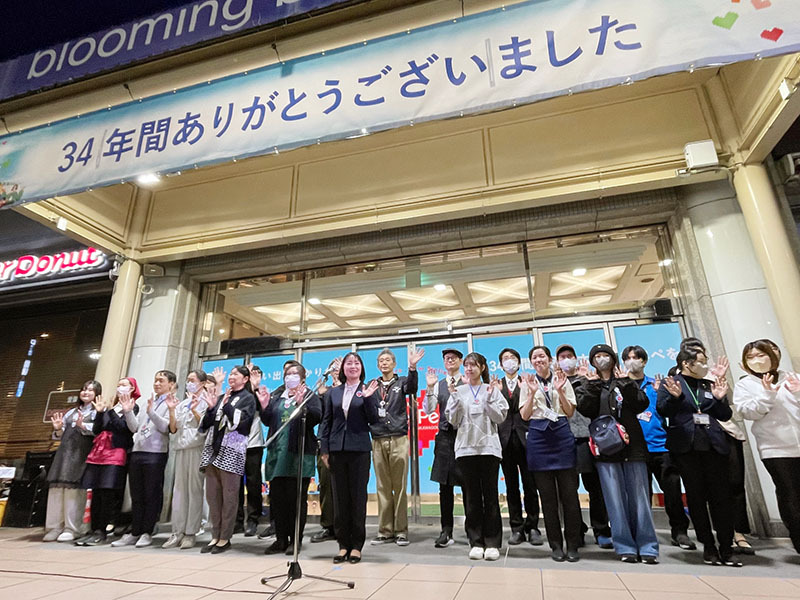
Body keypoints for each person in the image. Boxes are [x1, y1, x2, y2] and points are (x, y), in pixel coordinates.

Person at [657, 345, 741, 567]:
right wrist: (675, 398)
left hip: (714, 446)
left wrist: (720, 399)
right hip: (686, 449)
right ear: (687, 363)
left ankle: (726, 546)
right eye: (701, 361)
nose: (705, 365)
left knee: (721, 498)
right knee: (696, 498)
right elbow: (663, 410)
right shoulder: (671, 383)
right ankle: (709, 546)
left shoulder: (709, 384)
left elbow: (724, 414)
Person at [576, 344, 658, 564]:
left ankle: (648, 545)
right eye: (597, 356)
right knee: (614, 499)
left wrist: (625, 383)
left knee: (640, 498)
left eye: (605, 356)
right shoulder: (589, 383)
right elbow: (585, 409)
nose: (602, 359)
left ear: (613, 359)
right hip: (606, 449)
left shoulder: (625, 379)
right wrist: (592, 385)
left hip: (634, 448)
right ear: (593, 361)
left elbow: (642, 404)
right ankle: (624, 546)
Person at [621, 345, 695, 551]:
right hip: (634, 450)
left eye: (636, 357)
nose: (631, 361)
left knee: (672, 492)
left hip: (660, 446)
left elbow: (667, 411)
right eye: (627, 358)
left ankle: (679, 531)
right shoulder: (621, 387)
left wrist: (670, 395)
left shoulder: (657, 385)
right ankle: (642, 534)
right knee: (639, 497)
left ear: (644, 361)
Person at [734, 339, 800, 555]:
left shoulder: (793, 378)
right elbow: (747, 412)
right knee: (788, 492)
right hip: (775, 448)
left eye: (761, 355)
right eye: (751, 357)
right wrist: (767, 394)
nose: (757, 360)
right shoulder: (746, 384)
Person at [443, 352, 508, 561]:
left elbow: (499, 417)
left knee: (490, 496)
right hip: (465, 450)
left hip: (488, 449)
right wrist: (454, 398)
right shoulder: (459, 391)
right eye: (467, 366)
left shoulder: (492, 389)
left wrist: (489, 398)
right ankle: (475, 541)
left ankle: (492, 542)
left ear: (482, 367)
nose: (469, 369)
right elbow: (453, 421)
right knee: (471, 497)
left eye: (474, 365)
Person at [520, 346, 582, 562]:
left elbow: (570, 411)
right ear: (531, 361)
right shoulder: (527, 383)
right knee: (547, 498)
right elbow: (525, 416)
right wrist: (532, 393)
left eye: (542, 356)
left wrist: (561, 390)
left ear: (549, 360)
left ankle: (573, 544)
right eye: (534, 357)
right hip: (538, 438)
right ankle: (555, 545)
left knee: (570, 496)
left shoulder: (561, 379)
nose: (539, 360)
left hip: (562, 436)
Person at [319, 352, 380, 564]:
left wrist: (370, 398)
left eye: (356, 363)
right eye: (348, 363)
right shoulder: (333, 393)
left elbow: (373, 420)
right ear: (343, 369)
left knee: (357, 499)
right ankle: (343, 544)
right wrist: (324, 449)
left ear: (361, 368)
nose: (352, 366)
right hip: (336, 450)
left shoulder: (367, 390)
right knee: (340, 498)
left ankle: (356, 545)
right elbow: (326, 422)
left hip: (359, 450)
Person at [258, 361, 322, 555]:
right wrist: (263, 406)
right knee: (277, 500)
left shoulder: (310, 396)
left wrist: (303, 406)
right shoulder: (278, 396)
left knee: (296, 500)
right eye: (287, 374)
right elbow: (269, 420)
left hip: (298, 455)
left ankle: (295, 540)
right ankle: (280, 539)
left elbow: (316, 417)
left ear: (302, 378)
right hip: (277, 455)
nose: (290, 377)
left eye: (295, 374)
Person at [555, 344, 612, 549]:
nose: (566, 359)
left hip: (588, 438)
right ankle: (575, 529)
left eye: (569, 356)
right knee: (567, 490)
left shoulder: (588, 379)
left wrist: (589, 382)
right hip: (563, 440)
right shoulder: (555, 383)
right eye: (562, 357)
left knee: (594, 487)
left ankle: (601, 529)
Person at [113, 370, 177, 548]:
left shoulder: (172, 402)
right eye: (155, 380)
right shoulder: (146, 402)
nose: (157, 384)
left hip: (155, 454)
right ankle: (135, 531)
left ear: (171, 384)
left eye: (161, 381)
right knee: (137, 494)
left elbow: (167, 428)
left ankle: (147, 531)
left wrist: (152, 413)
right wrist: (127, 412)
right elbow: (135, 428)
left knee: (151, 494)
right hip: (138, 452)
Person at [199, 365, 257, 554]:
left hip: (232, 450)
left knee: (230, 497)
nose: (232, 377)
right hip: (212, 450)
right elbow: (207, 424)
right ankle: (214, 535)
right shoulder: (223, 395)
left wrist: (226, 405)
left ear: (245, 379)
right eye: (230, 374)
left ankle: (225, 537)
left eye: (235, 374)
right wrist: (211, 408)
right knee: (213, 497)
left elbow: (243, 423)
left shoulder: (248, 398)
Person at [77, 377, 141, 546]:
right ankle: (93, 529)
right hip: (99, 452)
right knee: (96, 492)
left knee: (107, 493)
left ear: (132, 388)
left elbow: (124, 428)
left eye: (124, 385)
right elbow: (98, 430)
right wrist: (99, 413)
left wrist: (111, 411)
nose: (120, 387)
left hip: (116, 453)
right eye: (119, 384)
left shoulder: (133, 407)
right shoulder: (110, 408)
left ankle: (102, 531)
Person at [369, 346, 423, 546]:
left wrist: (412, 367)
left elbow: (413, 387)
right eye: (381, 360)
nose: (384, 363)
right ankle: (384, 531)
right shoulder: (372, 385)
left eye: (387, 360)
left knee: (399, 486)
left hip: (399, 438)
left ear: (394, 364)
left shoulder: (402, 382)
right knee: (382, 486)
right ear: (377, 365)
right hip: (377, 438)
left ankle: (401, 531)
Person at [496, 347, 543, 546]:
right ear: (500, 365)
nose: (509, 361)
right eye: (505, 359)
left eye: (512, 358)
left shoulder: (528, 381)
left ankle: (533, 526)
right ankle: (516, 527)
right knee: (511, 486)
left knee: (530, 485)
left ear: (518, 361)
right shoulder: (496, 385)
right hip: (504, 441)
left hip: (527, 438)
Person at [43, 380, 98, 543]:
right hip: (63, 454)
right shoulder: (71, 412)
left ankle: (72, 527)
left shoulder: (97, 412)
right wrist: (58, 428)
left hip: (81, 455)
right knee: (56, 490)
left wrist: (84, 426)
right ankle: (54, 527)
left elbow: (98, 433)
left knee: (74, 492)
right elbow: (58, 435)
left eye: (90, 390)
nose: (85, 392)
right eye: (83, 389)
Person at [162, 370, 208, 549]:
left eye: (192, 380)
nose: (189, 383)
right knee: (179, 491)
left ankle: (190, 532)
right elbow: (173, 428)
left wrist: (196, 410)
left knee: (194, 491)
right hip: (181, 448)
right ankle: (177, 531)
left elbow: (205, 425)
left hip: (197, 448)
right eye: (187, 380)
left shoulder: (206, 400)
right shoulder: (183, 403)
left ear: (202, 383)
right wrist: (172, 410)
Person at [424, 348, 464, 548]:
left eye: (454, 358)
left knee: (469, 485)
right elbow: (429, 409)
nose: (450, 360)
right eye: (446, 358)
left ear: (461, 361)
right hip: (445, 438)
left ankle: (474, 529)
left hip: (465, 437)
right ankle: (446, 530)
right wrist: (430, 389)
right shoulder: (439, 384)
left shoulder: (467, 381)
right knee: (444, 486)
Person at [311, 357, 342, 544]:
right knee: (325, 485)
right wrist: (322, 397)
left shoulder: (352, 390)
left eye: (339, 368)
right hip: (325, 444)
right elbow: (321, 419)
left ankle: (344, 526)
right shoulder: (323, 392)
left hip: (346, 446)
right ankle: (328, 526)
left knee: (345, 487)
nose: (336, 371)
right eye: (333, 369)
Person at [239, 365, 265, 537]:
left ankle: (253, 519)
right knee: (234, 485)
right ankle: (236, 520)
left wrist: (254, 387)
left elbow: (260, 409)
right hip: (235, 444)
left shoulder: (260, 392)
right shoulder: (234, 393)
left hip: (253, 443)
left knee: (254, 483)